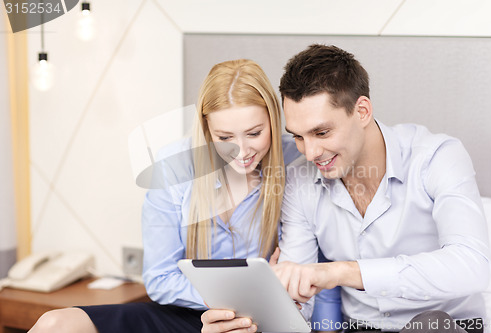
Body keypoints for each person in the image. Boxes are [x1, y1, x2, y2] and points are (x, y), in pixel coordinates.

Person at [201, 44, 490, 333]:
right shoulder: (300, 179)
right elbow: (296, 301)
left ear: (362, 111)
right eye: (298, 137)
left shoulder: (436, 157)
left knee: (431, 325)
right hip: (358, 328)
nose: (311, 152)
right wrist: (248, 322)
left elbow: (471, 266)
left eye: (322, 132)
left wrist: (340, 271)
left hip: (445, 325)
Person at [28, 59, 305, 333]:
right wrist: (237, 300)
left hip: (261, 318)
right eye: (224, 138)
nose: (241, 151)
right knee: (55, 323)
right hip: (190, 313)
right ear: (206, 130)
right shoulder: (174, 167)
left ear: (273, 119)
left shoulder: (297, 160)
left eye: (255, 133)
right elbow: (160, 278)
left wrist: (258, 304)